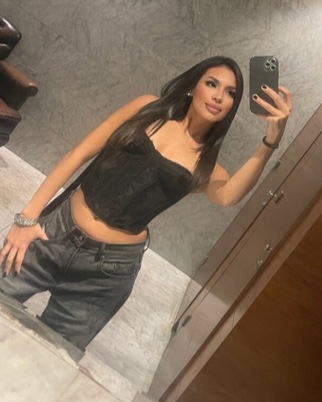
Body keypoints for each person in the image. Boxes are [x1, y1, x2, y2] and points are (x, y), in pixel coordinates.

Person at [0, 56, 292, 350]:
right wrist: (27, 218)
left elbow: (229, 196)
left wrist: (271, 141)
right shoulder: (147, 108)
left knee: (50, 354)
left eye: (230, 93)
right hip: (55, 233)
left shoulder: (207, 169)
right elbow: (79, 153)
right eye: (212, 84)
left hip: (106, 274)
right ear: (193, 86)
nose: (218, 96)